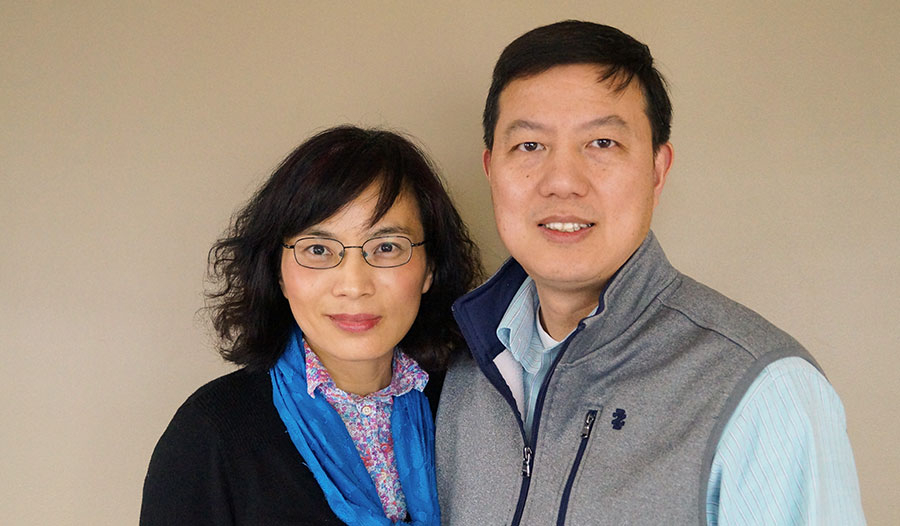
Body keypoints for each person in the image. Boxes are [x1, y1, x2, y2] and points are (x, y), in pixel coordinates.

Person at [435, 20, 866, 525]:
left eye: (602, 143)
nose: (562, 181)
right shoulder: (456, 372)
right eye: (529, 146)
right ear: (491, 170)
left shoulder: (766, 392)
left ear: (658, 170)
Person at [141, 126, 481, 525]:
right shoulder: (210, 433)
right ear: (278, 272)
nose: (354, 285)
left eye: (386, 247)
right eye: (318, 249)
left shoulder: (475, 406)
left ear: (430, 268)